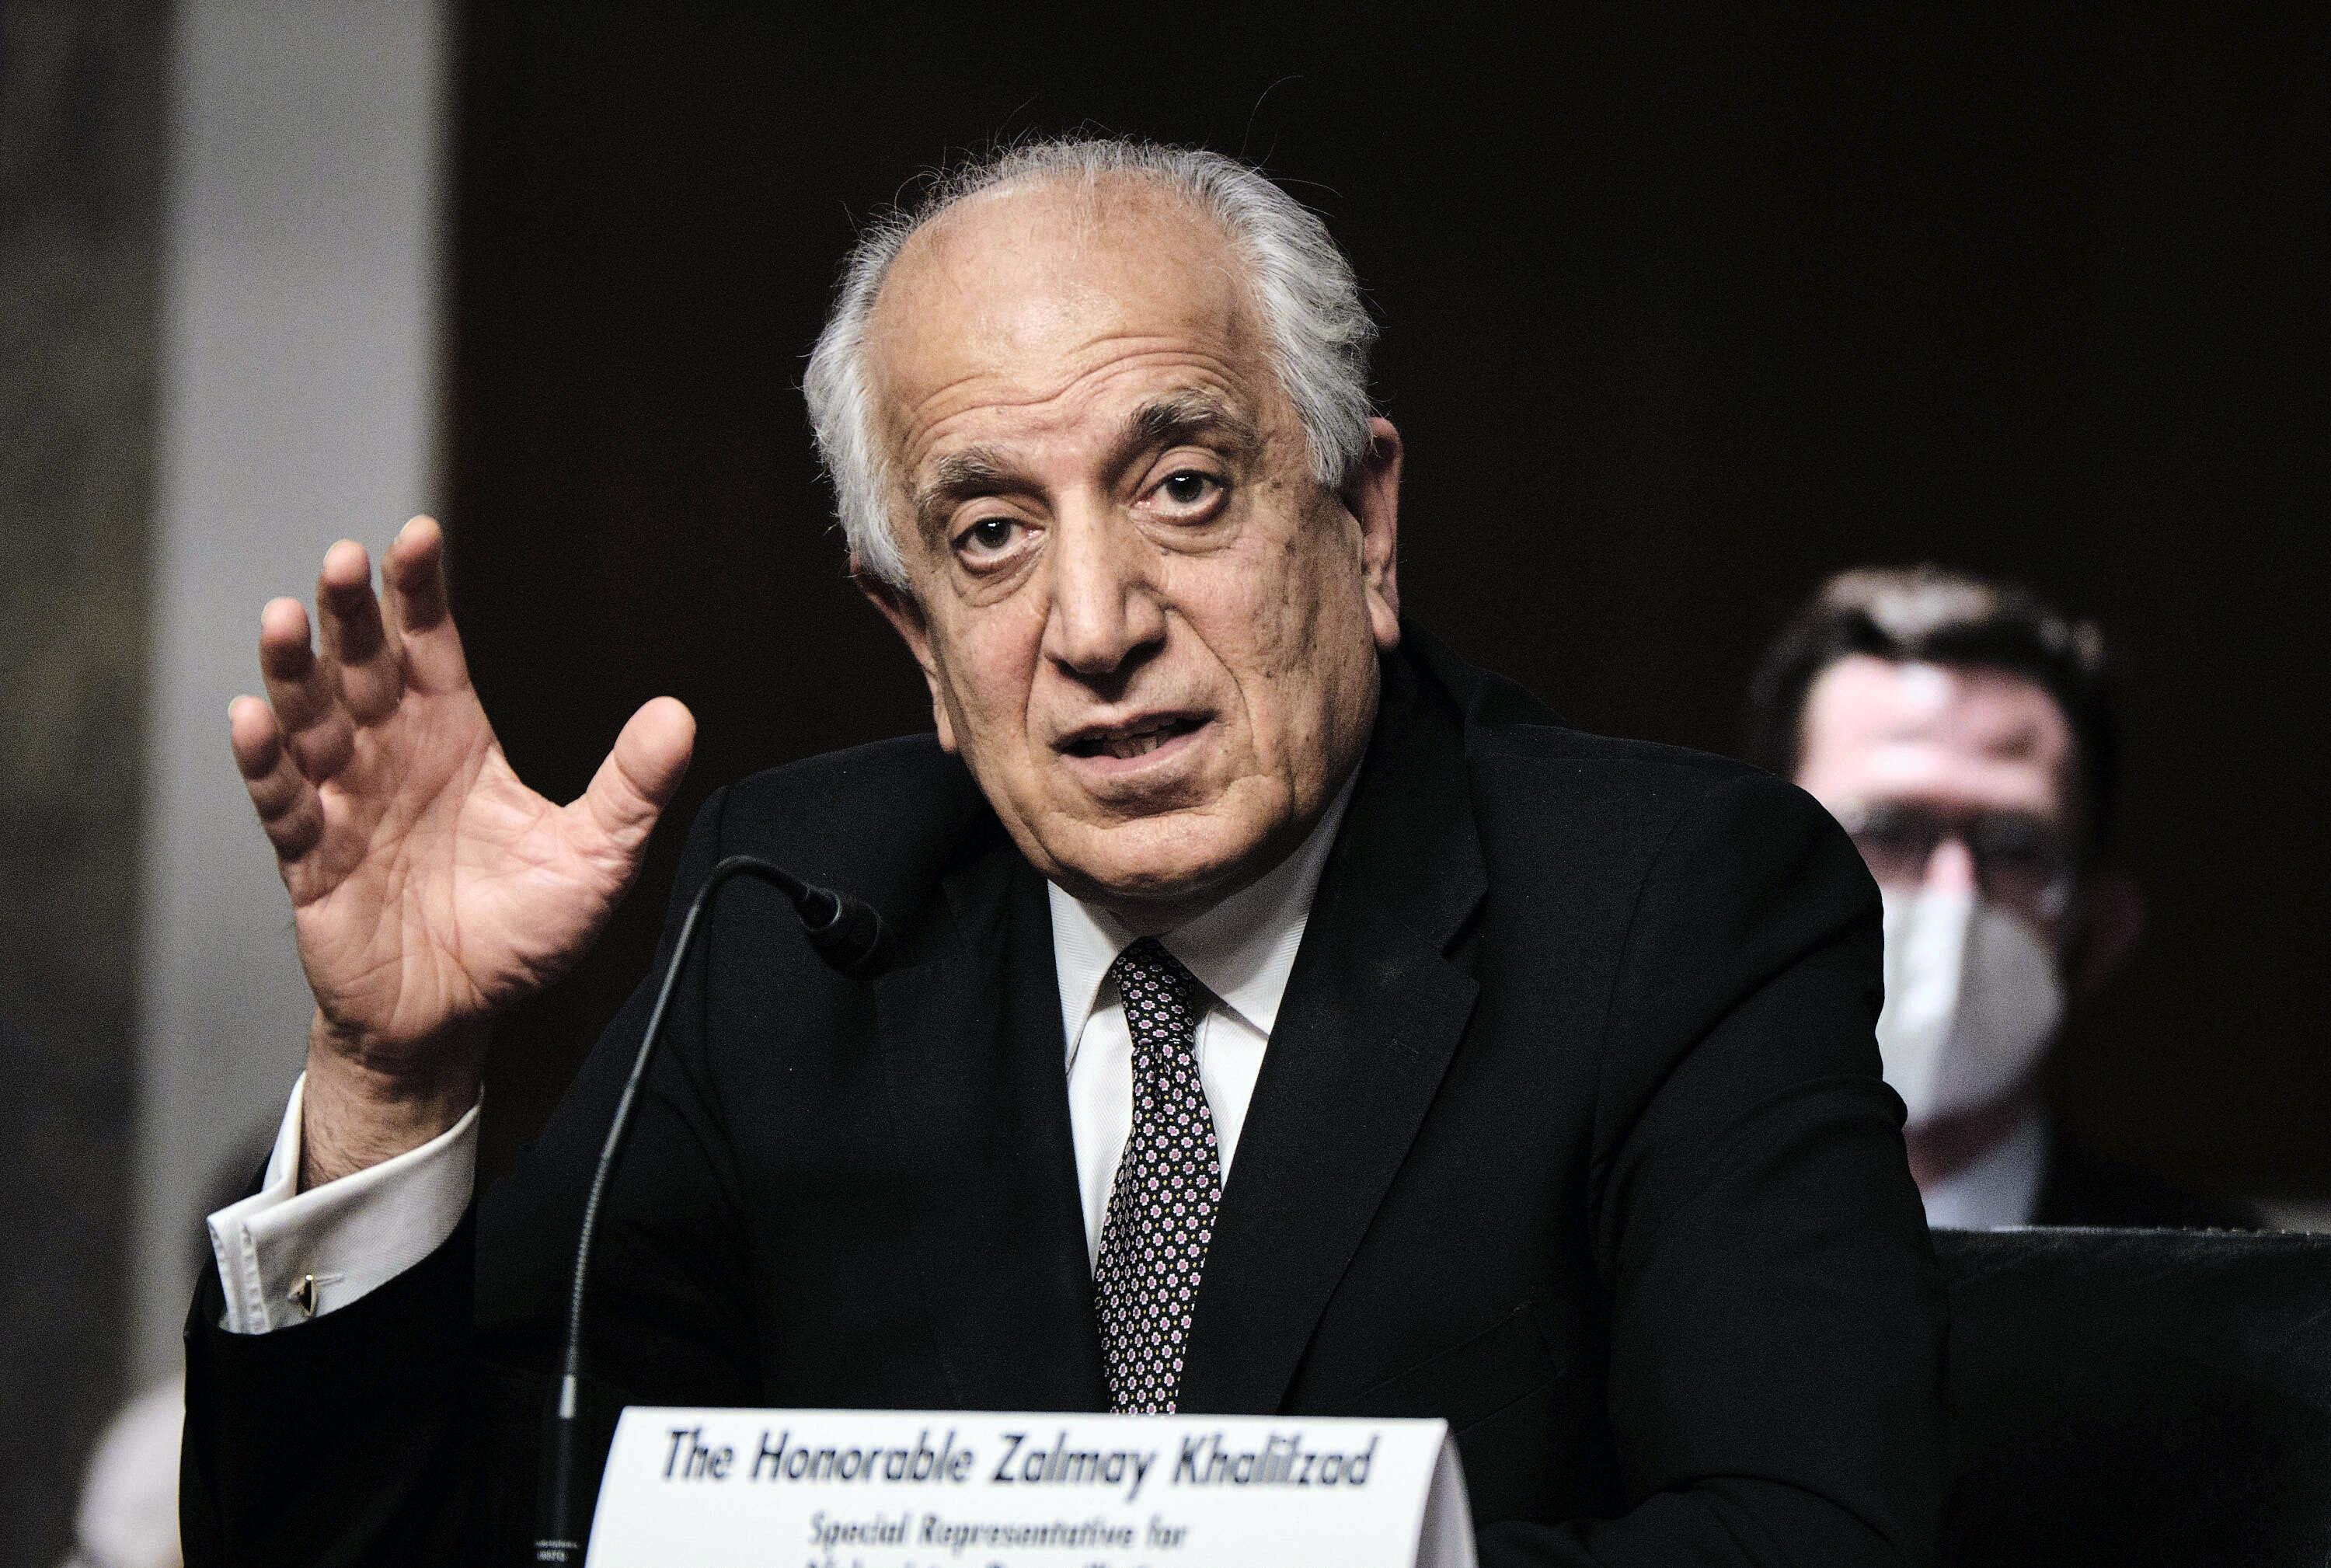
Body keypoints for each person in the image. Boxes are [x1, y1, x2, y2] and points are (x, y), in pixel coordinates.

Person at [183, 140, 1949, 1566]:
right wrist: (390, 1080)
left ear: (1364, 520)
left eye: (1182, 484)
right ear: (917, 645)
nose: (1095, 624)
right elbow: (433, 1544)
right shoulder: (796, 923)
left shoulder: (1669, 906)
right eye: (991, 533)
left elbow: (1817, 1528)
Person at [1746, 565, 2254, 1231]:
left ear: (2099, 932)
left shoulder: (2236, 1306)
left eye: (2014, 846)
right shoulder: (1609, 1276)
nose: (1952, 895)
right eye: (1885, 831)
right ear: (1753, 896)